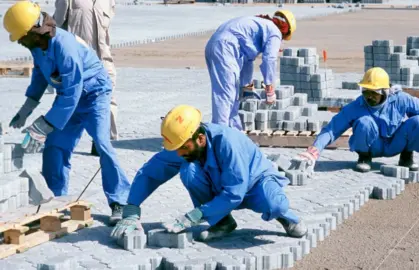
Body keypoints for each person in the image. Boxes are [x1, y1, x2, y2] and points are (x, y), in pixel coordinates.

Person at [3, 1, 130, 224]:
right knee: (54, 146)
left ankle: (120, 201)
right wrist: (26, 109)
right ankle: (55, 199)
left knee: (102, 143)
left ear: (34, 30)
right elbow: (41, 76)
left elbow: (72, 91)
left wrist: (45, 123)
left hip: (94, 94)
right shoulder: (37, 45)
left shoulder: (64, 46)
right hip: (71, 98)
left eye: (21, 37)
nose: (20, 43)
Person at [110, 105, 306, 242]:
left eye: (182, 147)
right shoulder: (186, 144)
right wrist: (131, 209)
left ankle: (286, 218)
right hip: (224, 184)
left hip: (255, 184)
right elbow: (150, 173)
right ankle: (222, 222)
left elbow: (234, 193)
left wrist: (196, 215)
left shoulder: (228, 144)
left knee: (275, 203)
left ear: (201, 139)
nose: (179, 153)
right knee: (188, 170)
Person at [296, 67, 419, 173]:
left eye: (374, 93)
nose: (369, 97)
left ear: (385, 91)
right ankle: (364, 158)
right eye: (366, 92)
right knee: (364, 122)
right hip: (372, 146)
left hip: (397, 144)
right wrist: (315, 150)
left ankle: (407, 156)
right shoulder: (358, 105)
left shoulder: (401, 99)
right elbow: (332, 129)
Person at [205, 10, 296, 131]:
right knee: (225, 94)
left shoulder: (260, 25)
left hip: (215, 45)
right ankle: (219, 135)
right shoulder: (275, 32)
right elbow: (270, 59)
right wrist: (270, 90)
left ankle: (235, 132)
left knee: (232, 95)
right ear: (285, 30)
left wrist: (246, 86)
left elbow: (248, 60)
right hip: (225, 47)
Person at [53, 0, 118, 156]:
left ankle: (102, 142)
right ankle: (60, 142)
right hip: (79, 60)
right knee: (71, 100)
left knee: (109, 99)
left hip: (103, 60)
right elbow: (56, 27)